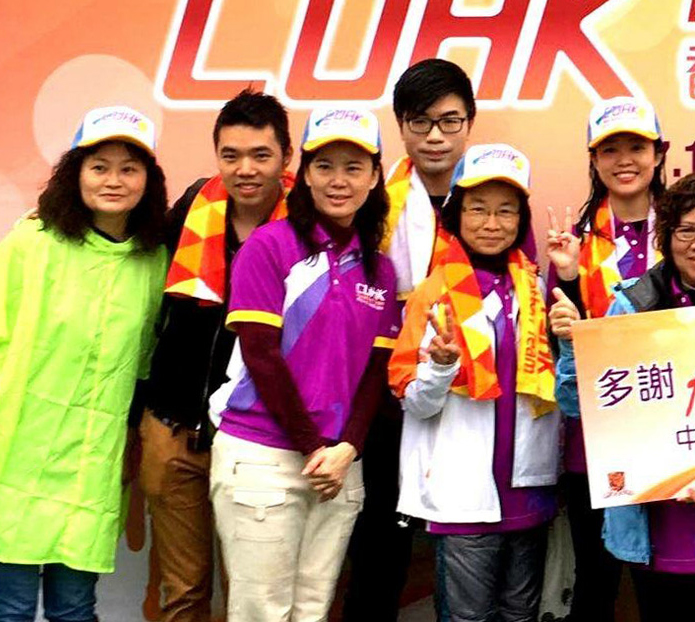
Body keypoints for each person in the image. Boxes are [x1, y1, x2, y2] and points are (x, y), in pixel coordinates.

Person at [546, 97, 695, 621]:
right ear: (668, 237)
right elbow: (581, 397)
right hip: (632, 482)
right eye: (687, 232)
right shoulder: (616, 281)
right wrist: (572, 340)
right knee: (612, 593)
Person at [208, 107, 400, 622]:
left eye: (354, 167)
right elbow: (262, 356)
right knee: (261, 613)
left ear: (375, 175)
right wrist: (315, 448)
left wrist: (347, 449)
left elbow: (375, 372)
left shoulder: (380, 268)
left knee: (313, 611)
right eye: (325, 166)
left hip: (338, 466)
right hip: (263, 458)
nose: (339, 181)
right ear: (306, 173)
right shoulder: (270, 246)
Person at [0, 107, 168, 622]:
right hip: (16, 453)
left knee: (75, 608)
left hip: (91, 464)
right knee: (11, 607)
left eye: (128, 168)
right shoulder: (33, 241)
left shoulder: (152, 258)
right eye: (99, 166)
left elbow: (143, 363)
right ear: (75, 173)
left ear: (148, 181)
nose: (113, 180)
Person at [138, 89, 293, 622]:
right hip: (171, 429)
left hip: (257, 443)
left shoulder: (311, 232)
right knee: (181, 592)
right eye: (231, 155)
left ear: (286, 159)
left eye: (260, 155)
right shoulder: (188, 210)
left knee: (253, 597)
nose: (244, 169)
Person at [390, 144, 560, 622]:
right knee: (466, 619)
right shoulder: (431, 292)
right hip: (463, 494)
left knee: (520, 615)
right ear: (456, 215)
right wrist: (441, 368)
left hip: (528, 485)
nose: (491, 223)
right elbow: (413, 401)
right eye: (478, 209)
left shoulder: (537, 287)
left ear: (521, 219)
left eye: (505, 211)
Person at [346, 58, 476, 619]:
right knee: (379, 542)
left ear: (470, 122)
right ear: (400, 125)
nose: (436, 137)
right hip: (381, 392)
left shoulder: (493, 200)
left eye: (450, 121)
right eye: (421, 122)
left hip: (467, 393)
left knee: (467, 543)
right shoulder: (373, 202)